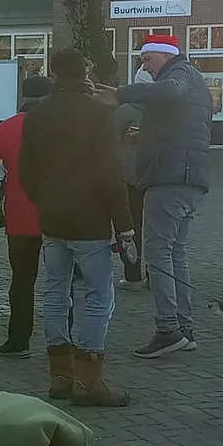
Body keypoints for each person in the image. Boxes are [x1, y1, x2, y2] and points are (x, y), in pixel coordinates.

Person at [19, 47, 135, 406]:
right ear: (84, 73)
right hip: (90, 220)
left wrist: (43, 200)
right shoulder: (99, 113)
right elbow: (111, 173)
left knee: (56, 291)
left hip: (53, 218)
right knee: (99, 295)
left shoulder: (37, 114)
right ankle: (88, 381)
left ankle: (61, 376)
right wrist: (125, 225)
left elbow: (26, 169)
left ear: (54, 73)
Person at [96, 34, 212, 359]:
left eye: (147, 59)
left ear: (166, 54)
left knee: (158, 253)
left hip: (170, 178)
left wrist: (120, 93)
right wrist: (146, 136)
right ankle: (183, 328)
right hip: (187, 177)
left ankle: (167, 329)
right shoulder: (190, 80)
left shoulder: (180, 73)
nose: (144, 66)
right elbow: (178, 122)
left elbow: (171, 91)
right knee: (175, 253)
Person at [0, 75, 52, 357]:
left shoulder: (6, 129)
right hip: (60, 217)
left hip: (21, 219)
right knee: (62, 283)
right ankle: (62, 343)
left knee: (22, 281)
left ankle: (18, 341)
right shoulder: (62, 126)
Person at [113, 67, 154, 290]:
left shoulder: (125, 111)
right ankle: (156, 276)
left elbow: (111, 140)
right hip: (157, 176)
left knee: (130, 227)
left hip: (129, 177)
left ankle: (132, 276)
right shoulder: (166, 112)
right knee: (156, 229)